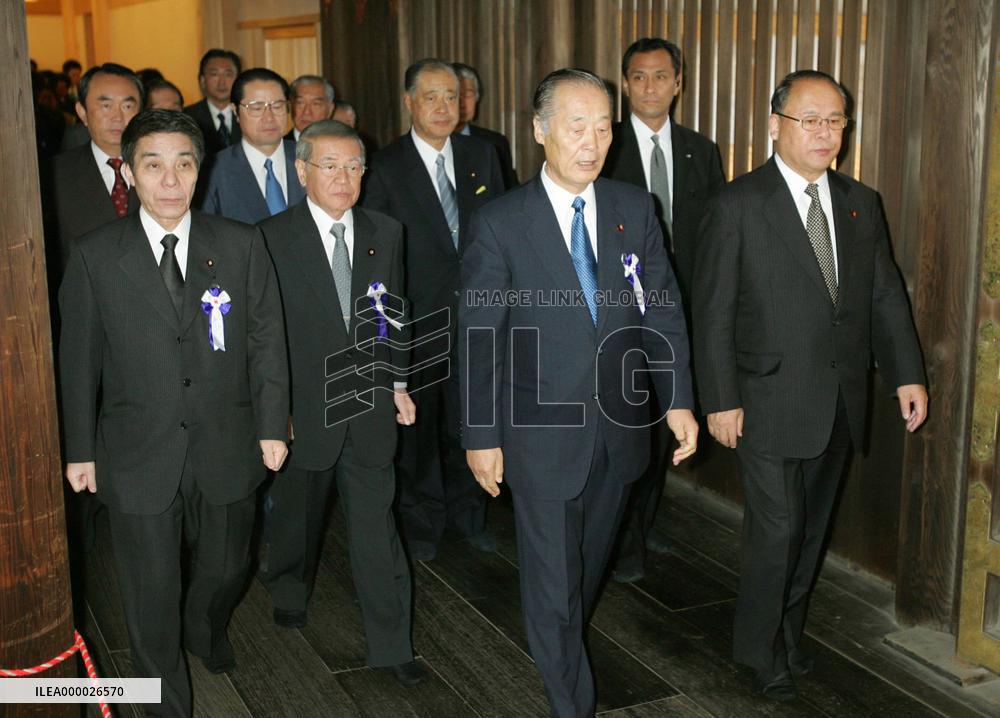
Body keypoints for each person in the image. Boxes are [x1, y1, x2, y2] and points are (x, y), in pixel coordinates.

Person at [460, 68, 699, 718]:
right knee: (555, 585)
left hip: (621, 428)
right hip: (537, 431)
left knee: (584, 571)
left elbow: (661, 308)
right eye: (576, 125)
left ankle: (558, 630)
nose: (592, 141)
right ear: (539, 131)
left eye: (603, 126)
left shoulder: (632, 208)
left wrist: (676, 397)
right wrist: (481, 435)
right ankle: (572, 703)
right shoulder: (501, 223)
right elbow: (479, 335)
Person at [692, 69, 928, 702]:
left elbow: (884, 294)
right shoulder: (737, 204)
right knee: (777, 533)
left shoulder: (859, 202)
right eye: (812, 120)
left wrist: (906, 373)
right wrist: (718, 399)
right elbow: (711, 311)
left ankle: (787, 633)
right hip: (765, 399)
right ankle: (757, 649)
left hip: (839, 403)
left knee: (811, 531)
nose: (827, 134)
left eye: (836, 121)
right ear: (776, 126)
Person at [59, 109, 289, 716]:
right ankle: (166, 703)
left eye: (183, 163)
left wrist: (272, 425)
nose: (170, 180)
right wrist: (79, 448)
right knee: (149, 592)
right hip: (137, 450)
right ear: (130, 174)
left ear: (200, 170)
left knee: (226, 568)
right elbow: (78, 359)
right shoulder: (94, 255)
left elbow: (266, 339)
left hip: (228, 440)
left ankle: (204, 625)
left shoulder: (239, 244)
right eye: (153, 165)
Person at [258, 119, 425, 686]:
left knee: (377, 528)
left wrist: (399, 382)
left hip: (371, 406)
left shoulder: (386, 231)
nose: (343, 177)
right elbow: (265, 335)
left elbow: (394, 314)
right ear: (301, 170)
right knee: (297, 521)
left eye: (354, 166)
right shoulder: (268, 238)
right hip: (302, 412)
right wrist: (271, 412)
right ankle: (288, 585)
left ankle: (391, 644)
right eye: (329, 165)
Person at [362, 58, 504, 561]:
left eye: (452, 96)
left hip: (476, 318)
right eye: (432, 97)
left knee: (472, 421)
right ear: (409, 102)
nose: (445, 107)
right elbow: (377, 252)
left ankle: (471, 515)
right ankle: (421, 524)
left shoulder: (481, 154)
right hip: (415, 322)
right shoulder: (383, 165)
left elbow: (499, 232)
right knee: (418, 434)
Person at [601, 37, 727, 584]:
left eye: (661, 76)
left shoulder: (703, 150)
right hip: (623, 316)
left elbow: (718, 240)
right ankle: (621, 540)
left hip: (683, 314)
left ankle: (642, 524)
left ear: (679, 83)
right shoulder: (605, 147)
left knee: (661, 429)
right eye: (639, 76)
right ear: (624, 84)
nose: (650, 86)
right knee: (628, 427)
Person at [49, 63, 142, 278]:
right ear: (82, 112)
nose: (118, 117)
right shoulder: (54, 175)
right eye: (106, 106)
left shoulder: (162, 169)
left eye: (127, 106)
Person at [199, 68, 304, 224]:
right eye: (256, 107)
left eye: (277, 106)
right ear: (235, 111)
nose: (269, 117)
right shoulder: (213, 172)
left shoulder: (310, 159)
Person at [453, 62, 518, 189]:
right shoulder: (434, 143)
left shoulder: (495, 142)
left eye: (468, 94)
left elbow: (509, 191)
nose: (462, 103)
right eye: (454, 95)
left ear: (477, 98)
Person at [183, 49, 242, 154]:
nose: (222, 82)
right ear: (202, 81)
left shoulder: (247, 113)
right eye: (214, 74)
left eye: (228, 74)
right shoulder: (187, 117)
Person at [286, 75, 335, 141]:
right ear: (290, 106)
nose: (307, 112)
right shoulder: (276, 148)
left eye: (316, 104)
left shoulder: (342, 147)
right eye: (300, 103)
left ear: (330, 109)